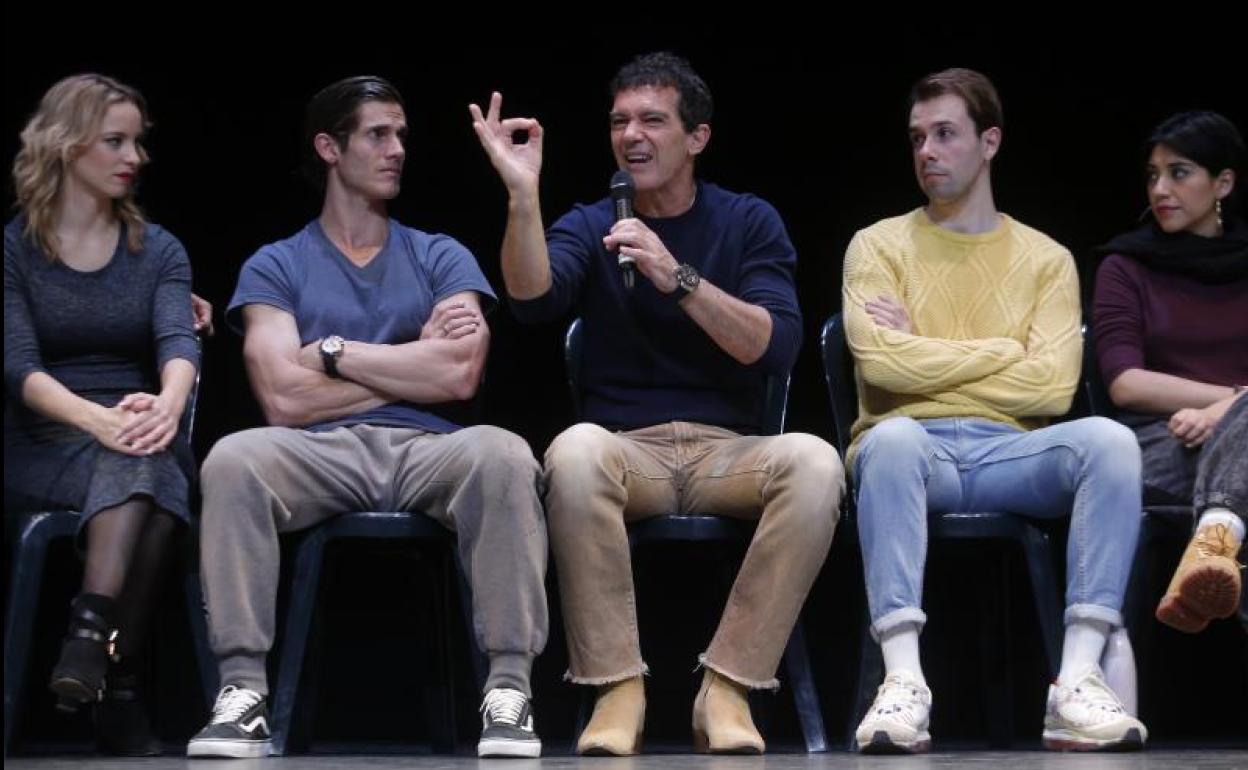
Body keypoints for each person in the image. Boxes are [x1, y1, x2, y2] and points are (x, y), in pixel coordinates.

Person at [471, 51, 844, 755]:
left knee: (817, 463)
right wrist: (522, 196)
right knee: (573, 451)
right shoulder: (595, 221)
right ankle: (617, 688)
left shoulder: (748, 220)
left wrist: (678, 277)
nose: (631, 136)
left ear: (697, 137)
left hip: (729, 451)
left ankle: (728, 687)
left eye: (652, 121)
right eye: (619, 122)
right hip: (626, 449)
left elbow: (774, 346)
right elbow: (529, 299)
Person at [186, 76, 548, 759]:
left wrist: (331, 354)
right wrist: (414, 360)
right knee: (233, 458)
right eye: (378, 135)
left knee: (503, 452)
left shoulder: (439, 254)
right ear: (330, 148)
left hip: (428, 450)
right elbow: (282, 399)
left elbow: (460, 375)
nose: (397, 149)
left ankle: (509, 689)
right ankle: (242, 691)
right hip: (318, 453)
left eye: (401, 135)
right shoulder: (277, 264)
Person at [843, 67, 1147, 753]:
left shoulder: (1046, 259)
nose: (927, 151)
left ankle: (1077, 680)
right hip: (915, 452)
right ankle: (903, 682)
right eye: (917, 138)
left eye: (945, 134)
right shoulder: (877, 245)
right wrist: (1005, 351)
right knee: (891, 441)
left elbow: (1053, 386)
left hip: (1011, 453)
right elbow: (882, 366)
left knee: (1110, 443)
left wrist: (921, 345)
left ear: (990, 142)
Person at [5, 73, 201, 755]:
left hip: (138, 423)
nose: (134, 157)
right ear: (66, 146)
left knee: (148, 460)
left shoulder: (158, 249)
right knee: (152, 473)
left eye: (138, 142)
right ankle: (118, 682)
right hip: (41, 439)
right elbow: (19, 368)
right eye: (115, 141)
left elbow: (178, 342)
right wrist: (100, 422)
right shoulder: (13, 251)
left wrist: (168, 403)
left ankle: (89, 640)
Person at [1093, 110, 1247, 634]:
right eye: (1153, 175)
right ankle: (1217, 537)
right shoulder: (1125, 267)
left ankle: (1214, 543)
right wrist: (1231, 403)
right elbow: (1125, 382)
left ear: (1223, 183)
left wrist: (1225, 414)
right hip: (1161, 443)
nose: (1160, 189)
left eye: (1179, 173)